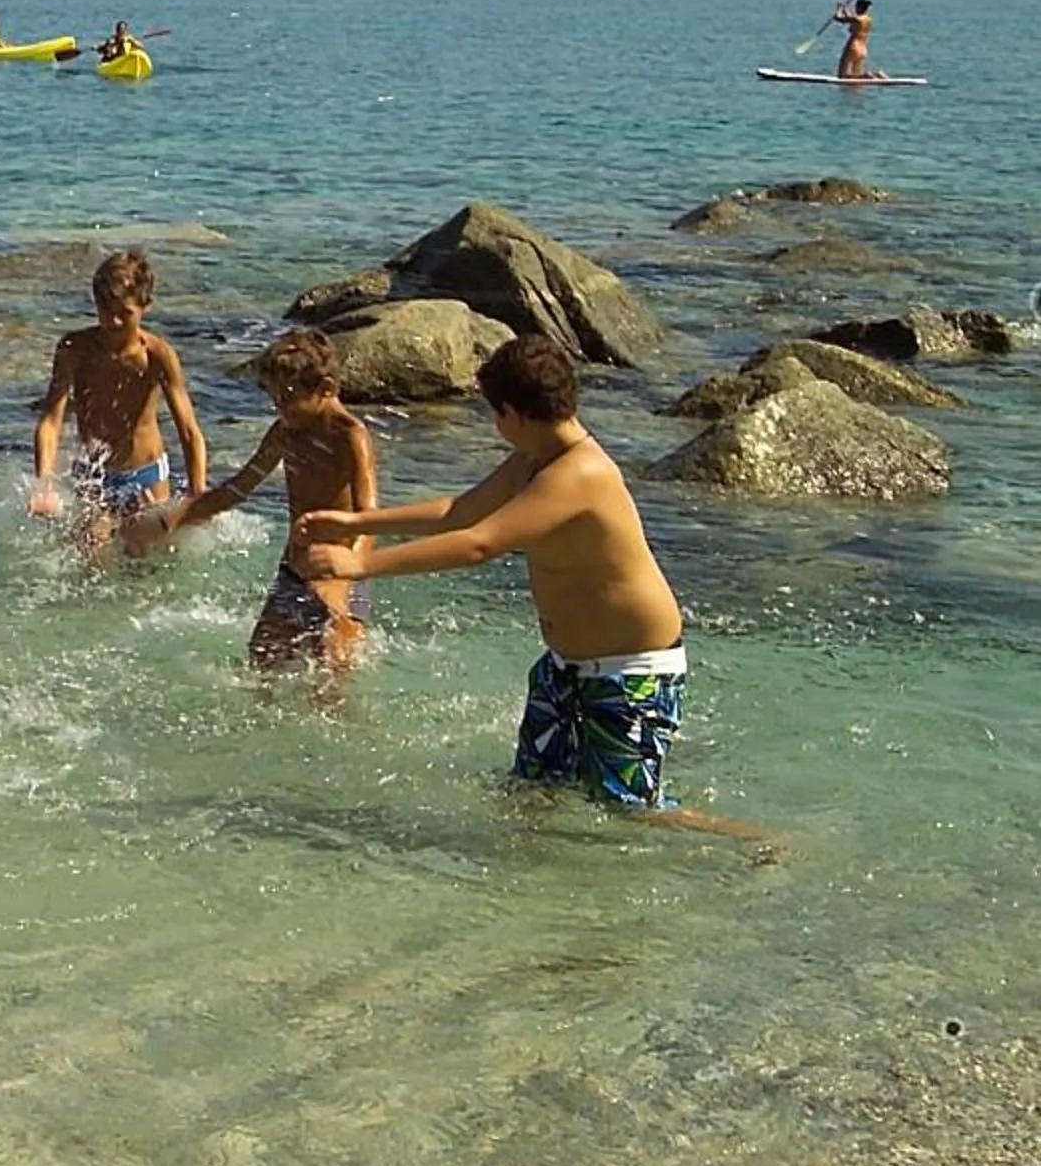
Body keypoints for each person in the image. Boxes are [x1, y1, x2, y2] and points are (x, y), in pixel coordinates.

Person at [294, 336, 768, 841]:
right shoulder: (535, 458)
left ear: (514, 413)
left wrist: (358, 564)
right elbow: (462, 511)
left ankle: (756, 842)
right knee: (529, 792)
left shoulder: (580, 473)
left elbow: (479, 544)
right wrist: (357, 520)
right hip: (566, 667)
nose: (496, 428)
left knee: (630, 809)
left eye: (494, 415)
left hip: (632, 673)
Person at [138, 326, 376, 676]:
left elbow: (369, 516)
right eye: (274, 399)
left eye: (289, 400)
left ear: (325, 390)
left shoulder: (350, 436)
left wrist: (345, 574)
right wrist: (168, 520)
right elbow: (237, 489)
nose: (280, 409)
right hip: (296, 567)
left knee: (330, 673)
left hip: (343, 568)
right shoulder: (284, 432)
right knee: (260, 663)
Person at [28, 250, 211, 554]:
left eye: (124, 313)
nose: (112, 321)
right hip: (94, 474)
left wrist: (198, 492)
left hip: (147, 474)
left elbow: (189, 431)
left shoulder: (158, 355)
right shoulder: (74, 349)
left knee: (144, 562)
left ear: (144, 306)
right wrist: (45, 479)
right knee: (90, 556)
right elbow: (51, 419)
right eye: (104, 309)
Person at [833, 0, 876, 79]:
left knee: (843, 76)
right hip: (863, 49)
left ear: (858, 7)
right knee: (854, 76)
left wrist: (838, 8)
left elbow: (838, 18)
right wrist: (844, 8)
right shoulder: (868, 19)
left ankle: (866, 75)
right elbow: (850, 18)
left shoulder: (858, 19)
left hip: (853, 47)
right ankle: (878, 74)